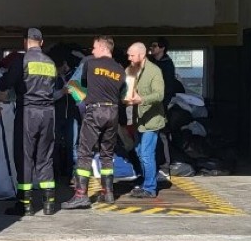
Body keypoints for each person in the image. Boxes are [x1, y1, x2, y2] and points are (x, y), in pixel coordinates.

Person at [0, 28, 57, 216]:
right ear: (42, 42)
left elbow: (4, 84)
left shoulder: (21, 61)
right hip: (48, 113)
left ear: (25, 42)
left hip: (28, 112)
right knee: (45, 157)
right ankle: (49, 204)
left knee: (24, 157)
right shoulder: (50, 62)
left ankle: (25, 205)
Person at [61, 36, 125, 209]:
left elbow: (82, 84)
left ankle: (81, 195)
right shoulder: (120, 70)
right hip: (113, 112)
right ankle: (108, 192)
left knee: (84, 152)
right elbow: (122, 93)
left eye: (95, 47)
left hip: (95, 111)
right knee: (107, 154)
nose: (92, 51)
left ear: (104, 48)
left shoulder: (90, 63)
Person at [124, 42, 166, 198]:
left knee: (146, 153)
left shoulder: (154, 71)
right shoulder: (129, 70)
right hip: (136, 120)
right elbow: (126, 91)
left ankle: (150, 188)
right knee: (138, 151)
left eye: (132, 55)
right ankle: (147, 180)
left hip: (151, 119)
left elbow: (159, 95)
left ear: (142, 55)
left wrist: (141, 100)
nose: (129, 58)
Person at [149, 37, 184, 181]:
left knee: (161, 135)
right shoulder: (152, 62)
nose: (152, 48)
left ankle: (164, 167)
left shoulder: (167, 65)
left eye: (154, 45)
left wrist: (163, 104)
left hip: (160, 105)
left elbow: (168, 87)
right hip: (151, 104)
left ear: (162, 48)